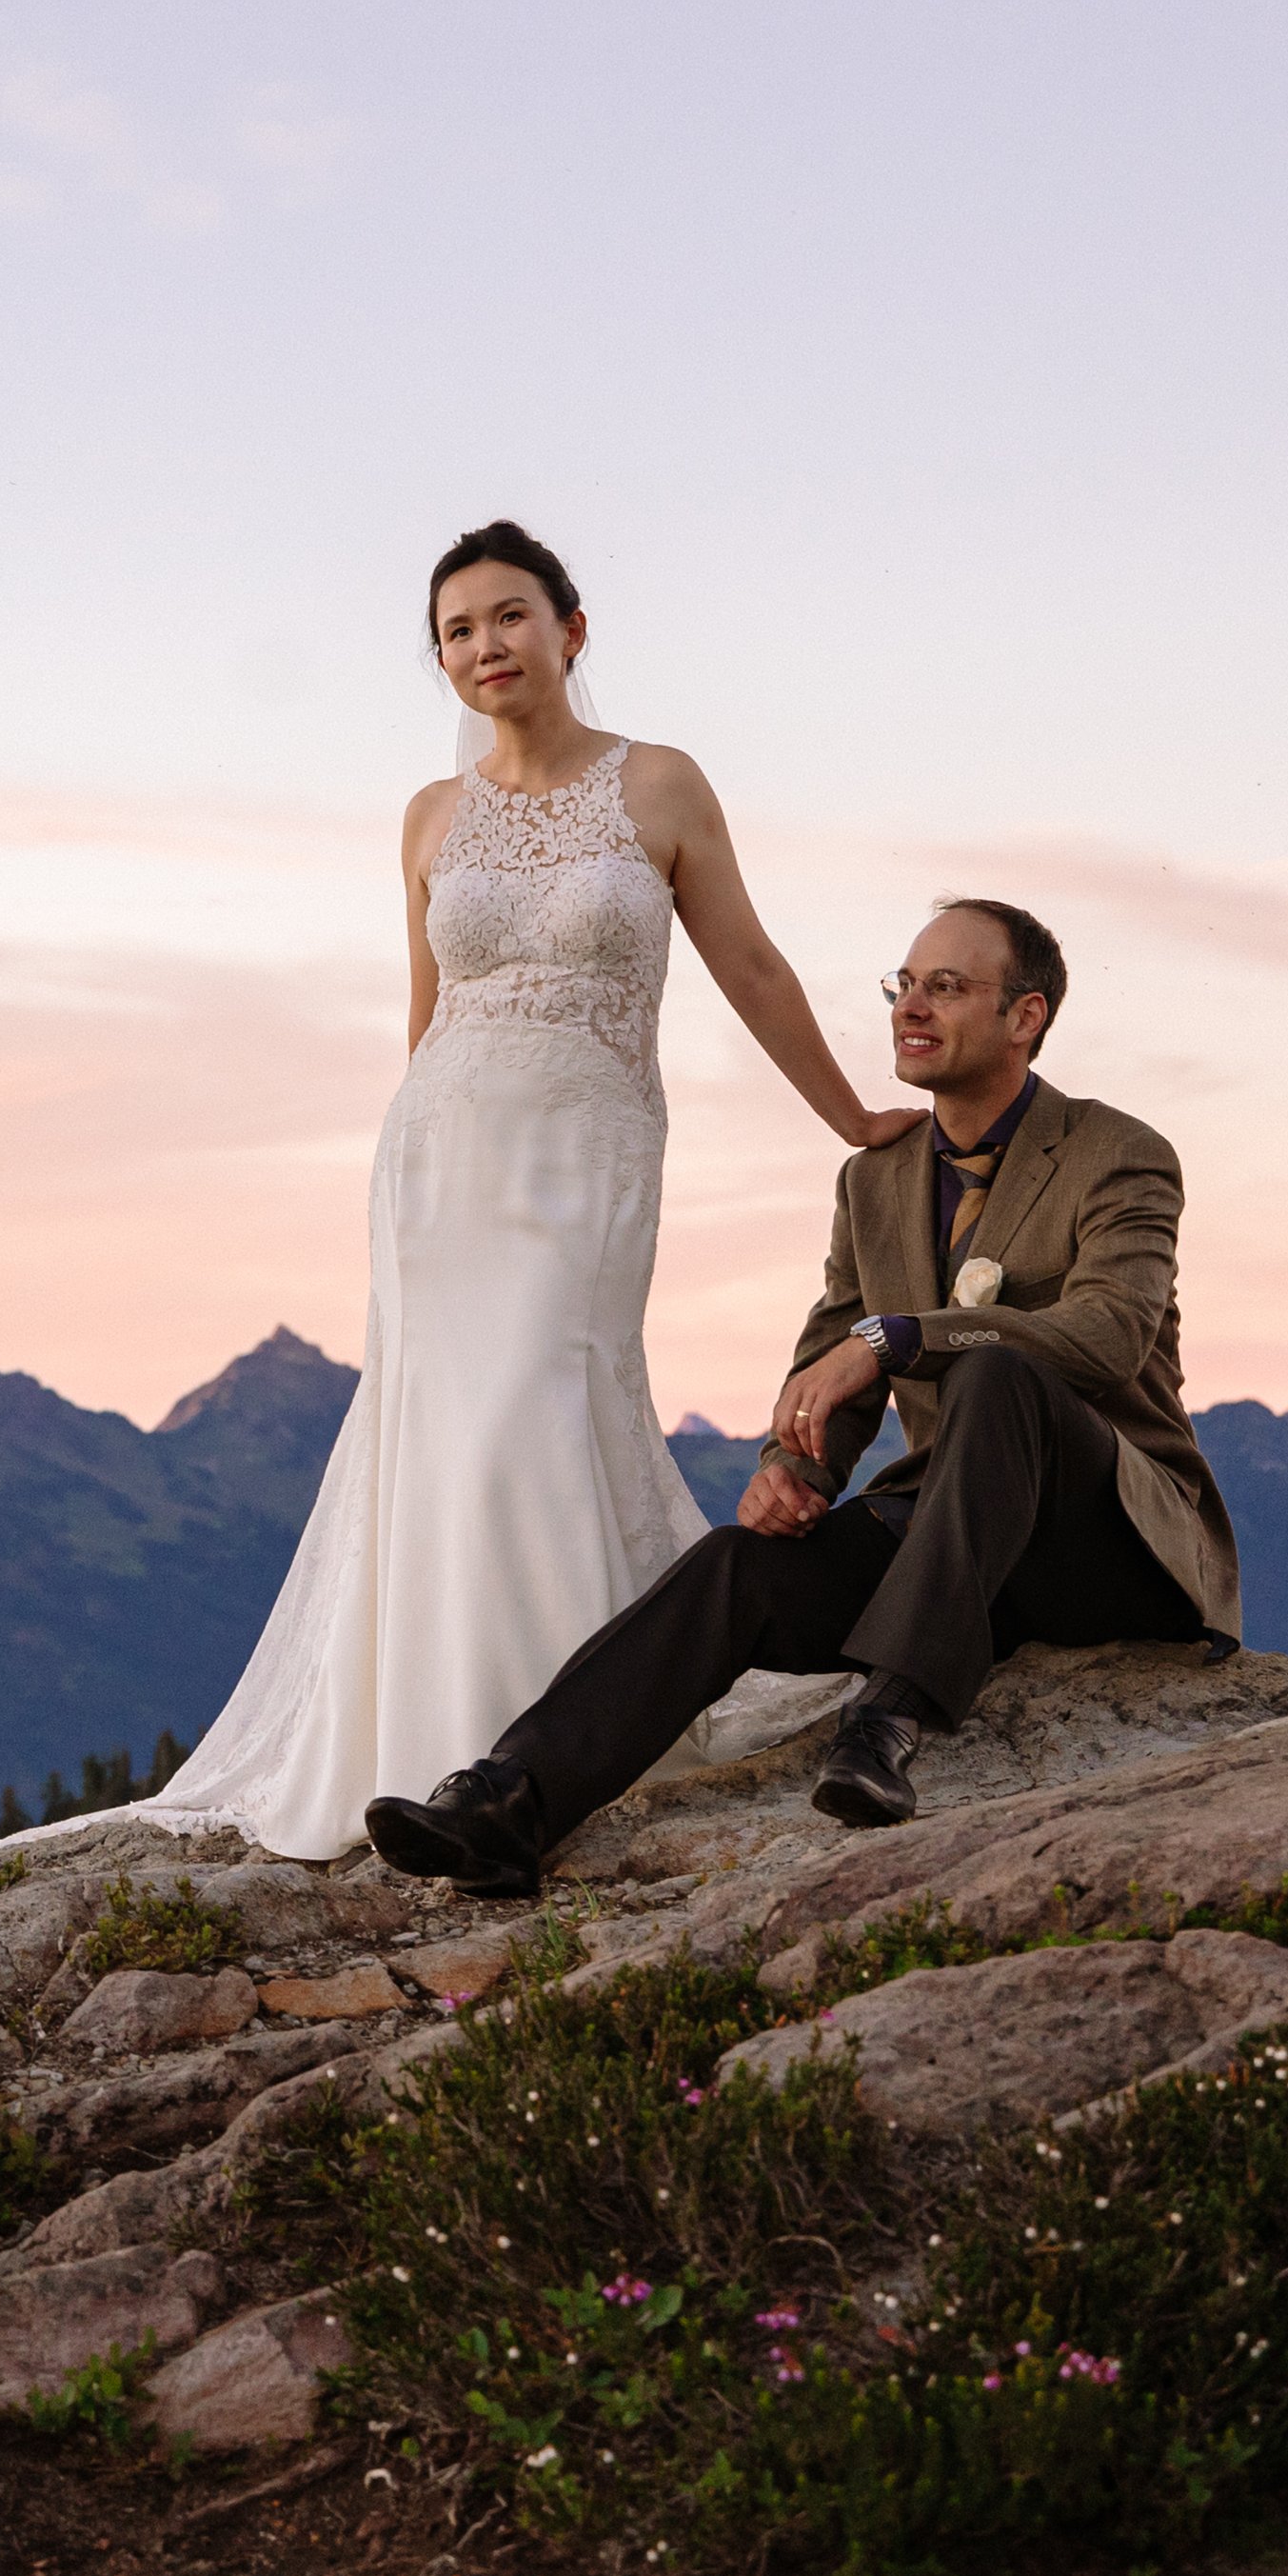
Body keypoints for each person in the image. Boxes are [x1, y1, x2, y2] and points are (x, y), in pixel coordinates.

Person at [141, 518, 921, 1863]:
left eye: (508, 615)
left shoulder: (662, 784)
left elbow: (750, 962)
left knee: (534, 1401)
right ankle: (451, 1750)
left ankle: (552, 1737)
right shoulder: (429, 817)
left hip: (588, 1146)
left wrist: (849, 1114)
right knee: (445, 1423)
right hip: (440, 1157)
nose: (483, 646)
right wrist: (406, 1177)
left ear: (571, 627)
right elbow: (423, 1010)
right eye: (456, 629)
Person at [363, 895, 1241, 1898]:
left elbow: (1108, 1334)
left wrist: (900, 1336)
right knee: (738, 1564)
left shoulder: (1118, 1152)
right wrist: (795, 1465)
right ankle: (509, 1802)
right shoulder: (874, 1181)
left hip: (1107, 1542)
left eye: (946, 987)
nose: (911, 1006)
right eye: (902, 984)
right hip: (961, 1556)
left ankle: (886, 1718)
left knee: (1007, 1371)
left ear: (1025, 1017)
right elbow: (832, 1359)